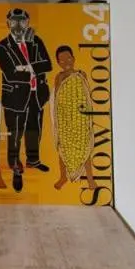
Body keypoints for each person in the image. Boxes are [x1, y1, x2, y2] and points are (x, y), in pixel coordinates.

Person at [0, 8, 52, 191]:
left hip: (37, 93)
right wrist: (32, 69)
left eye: (22, 21)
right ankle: (15, 168)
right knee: (15, 134)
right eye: (14, 21)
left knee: (34, 129)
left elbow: (48, 65)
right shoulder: (2, 46)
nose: (18, 25)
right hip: (15, 96)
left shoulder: (36, 41)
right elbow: (10, 74)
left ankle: (33, 160)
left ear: (27, 23)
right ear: (8, 24)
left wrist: (24, 67)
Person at [52, 45, 95, 192]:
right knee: (62, 149)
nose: (66, 62)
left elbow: (86, 95)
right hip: (66, 120)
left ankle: (90, 178)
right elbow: (57, 98)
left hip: (79, 119)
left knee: (85, 147)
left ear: (74, 58)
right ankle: (63, 176)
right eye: (62, 60)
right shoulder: (59, 77)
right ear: (58, 63)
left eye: (68, 58)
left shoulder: (81, 74)